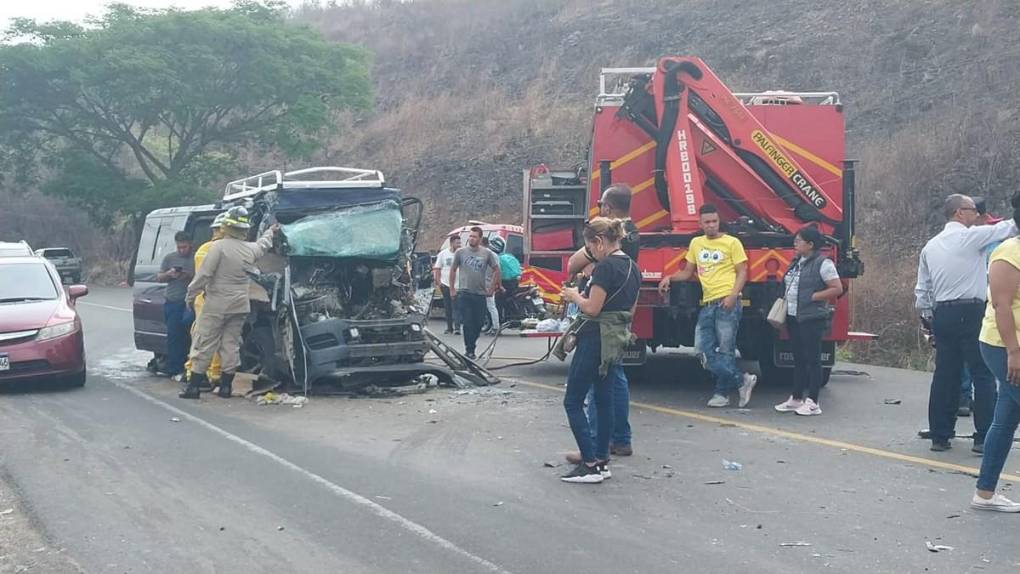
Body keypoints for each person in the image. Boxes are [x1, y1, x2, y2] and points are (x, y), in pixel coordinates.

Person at [915, 193, 1017, 451]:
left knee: (945, 374)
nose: (978, 215)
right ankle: (983, 436)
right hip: (971, 312)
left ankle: (940, 435)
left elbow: (922, 289)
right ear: (959, 213)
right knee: (981, 373)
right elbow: (1008, 227)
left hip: (942, 313)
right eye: (973, 210)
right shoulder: (970, 237)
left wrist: (927, 318)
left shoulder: (931, 245)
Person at [558, 217, 640, 483]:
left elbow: (592, 308)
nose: (590, 253)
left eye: (590, 248)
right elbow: (630, 309)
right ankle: (602, 461)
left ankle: (589, 463)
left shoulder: (605, 268)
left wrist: (574, 296)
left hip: (594, 339)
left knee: (572, 401)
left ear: (600, 241)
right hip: (615, 340)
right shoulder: (632, 267)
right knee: (605, 401)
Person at [658, 204, 757, 408]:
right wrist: (669, 278)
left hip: (727, 301)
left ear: (719, 222)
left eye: (715, 221)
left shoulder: (732, 242)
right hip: (708, 303)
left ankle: (721, 394)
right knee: (702, 351)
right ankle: (741, 380)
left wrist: (732, 296)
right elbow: (687, 272)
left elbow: (742, 272)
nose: (711, 225)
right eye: (707, 222)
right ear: (700, 224)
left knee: (726, 350)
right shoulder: (696, 243)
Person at [181, 206, 278, 399]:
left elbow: (204, 275)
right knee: (231, 345)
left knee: (204, 343)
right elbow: (263, 244)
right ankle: (226, 388)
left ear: (226, 227)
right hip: (240, 305)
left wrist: (190, 295)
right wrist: (270, 231)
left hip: (216, 304)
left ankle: (193, 388)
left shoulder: (217, 247)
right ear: (244, 229)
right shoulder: (250, 249)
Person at [971, 192, 1020, 512]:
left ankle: (985, 493)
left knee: (1005, 419)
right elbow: (1001, 304)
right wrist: (1014, 353)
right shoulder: (1008, 253)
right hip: (1004, 344)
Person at [773, 226, 843, 416]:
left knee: (813, 360)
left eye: (799, 241)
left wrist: (814, 296)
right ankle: (796, 398)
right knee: (799, 359)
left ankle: (813, 402)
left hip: (812, 318)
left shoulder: (823, 263)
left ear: (810, 244)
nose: (795, 244)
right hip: (794, 316)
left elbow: (836, 288)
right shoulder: (796, 262)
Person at [184, 214, 226, 388]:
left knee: (209, 338)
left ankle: (209, 373)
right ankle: (199, 373)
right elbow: (205, 276)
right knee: (206, 338)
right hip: (207, 299)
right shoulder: (211, 249)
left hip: (209, 299)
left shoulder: (211, 248)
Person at [449, 226, 499, 360]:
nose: (471, 238)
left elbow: (496, 269)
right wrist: (452, 289)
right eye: (470, 236)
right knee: (468, 322)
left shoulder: (486, 253)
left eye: (474, 236)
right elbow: (453, 270)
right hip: (464, 293)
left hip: (480, 293)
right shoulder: (460, 252)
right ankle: (469, 350)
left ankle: (472, 344)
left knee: (478, 323)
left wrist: (492, 288)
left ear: (480, 239)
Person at [156, 231, 195, 378]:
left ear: (190, 244)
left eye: (184, 247)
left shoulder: (196, 258)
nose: (181, 250)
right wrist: (169, 274)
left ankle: (189, 366)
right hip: (173, 301)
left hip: (190, 302)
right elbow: (159, 277)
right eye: (179, 247)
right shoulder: (169, 258)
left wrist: (188, 276)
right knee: (173, 336)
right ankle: (174, 368)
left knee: (189, 335)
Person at [433, 235, 462, 335]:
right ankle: (449, 328)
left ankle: (457, 327)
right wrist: (438, 282)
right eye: (457, 243)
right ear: (451, 243)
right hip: (445, 284)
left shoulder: (461, 254)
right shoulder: (443, 254)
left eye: (460, 243)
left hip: (458, 285)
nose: (459, 245)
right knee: (448, 307)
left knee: (457, 306)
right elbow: (437, 268)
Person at [489, 236, 522, 322]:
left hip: (504, 282)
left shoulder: (496, 258)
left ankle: (499, 321)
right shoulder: (508, 256)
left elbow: (497, 273)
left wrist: (498, 285)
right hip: (515, 282)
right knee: (508, 299)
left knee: (498, 301)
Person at [480, 237, 502, 335]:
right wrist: (499, 284)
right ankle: (493, 327)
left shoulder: (485, 254)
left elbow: (497, 272)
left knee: (490, 306)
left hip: (486, 284)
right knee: (489, 307)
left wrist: (497, 285)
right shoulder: (493, 255)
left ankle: (496, 327)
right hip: (487, 283)